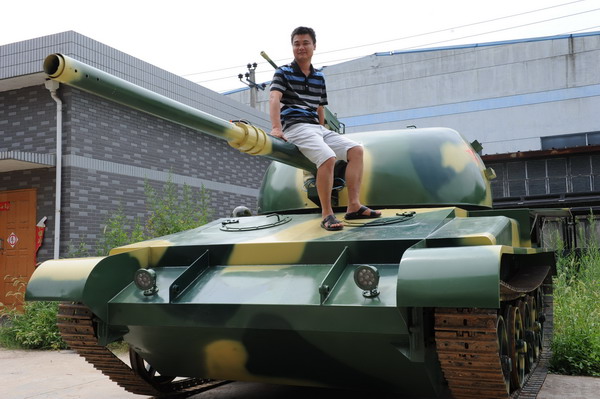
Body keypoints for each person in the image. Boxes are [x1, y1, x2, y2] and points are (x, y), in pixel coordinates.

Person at [269, 26, 381, 231]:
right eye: (297, 44)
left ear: (314, 46)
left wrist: (321, 129)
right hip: (295, 126)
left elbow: (320, 106)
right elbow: (274, 98)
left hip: (315, 128)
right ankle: (327, 214)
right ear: (292, 47)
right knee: (327, 157)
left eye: (305, 43)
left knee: (356, 150)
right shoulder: (283, 72)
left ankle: (354, 205)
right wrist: (277, 128)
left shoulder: (319, 77)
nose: (301, 47)